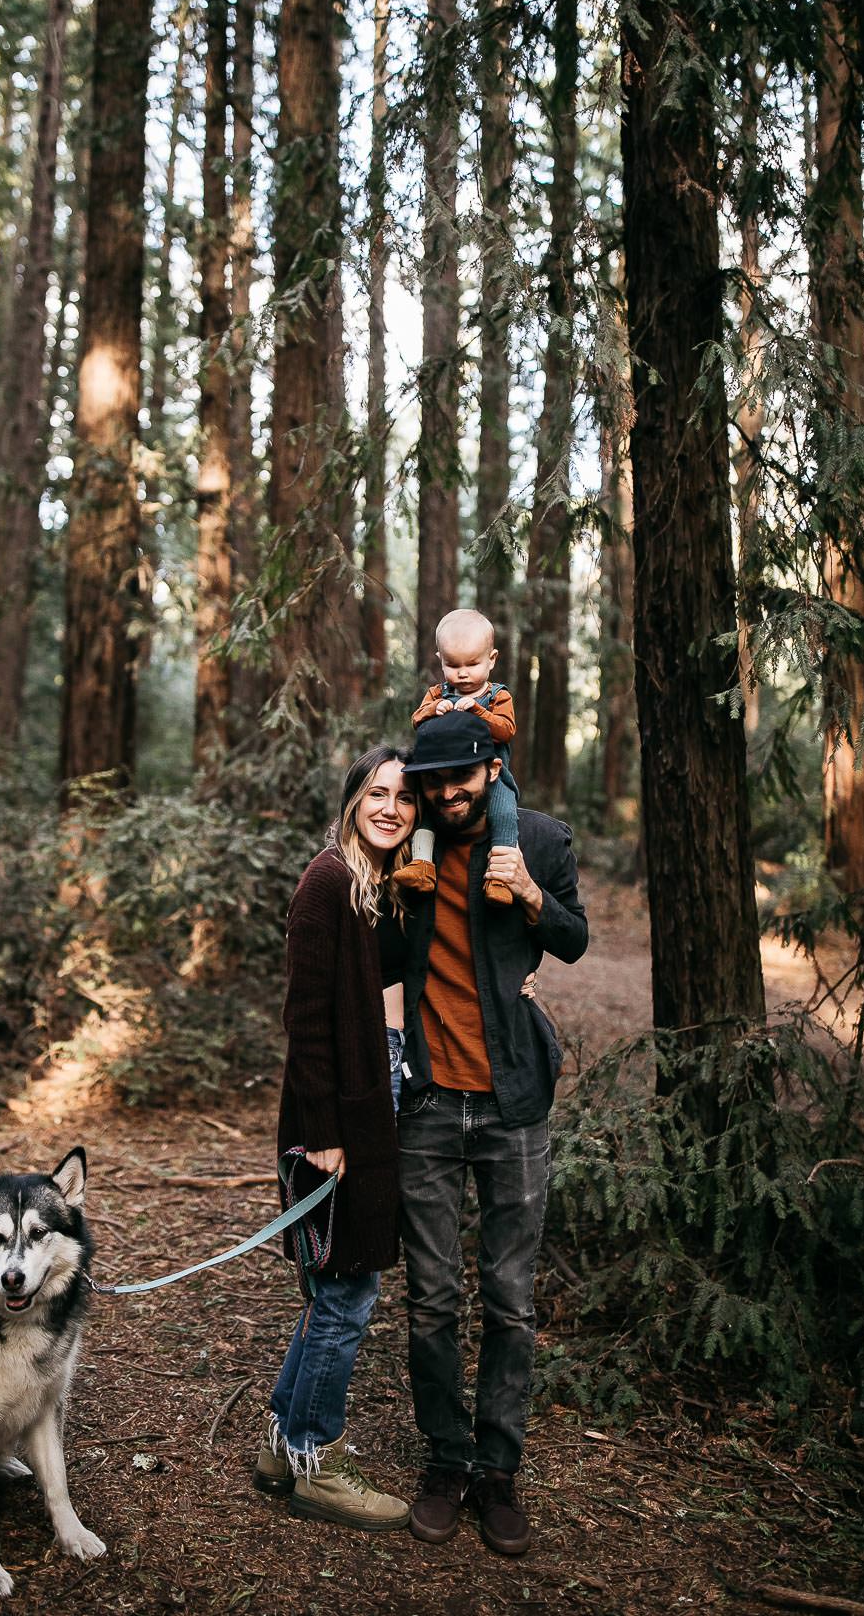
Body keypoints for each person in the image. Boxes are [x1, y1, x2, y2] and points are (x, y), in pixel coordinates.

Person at [397, 709, 588, 1557]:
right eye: (432, 784)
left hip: (515, 1104)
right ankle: (446, 1461)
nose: (447, 795)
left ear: (491, 768)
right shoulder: (410, 848)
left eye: (460, 779)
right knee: (432, 1299)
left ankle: (498, 1470)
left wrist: (536, 898)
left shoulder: (540, 839)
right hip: (430, 1105)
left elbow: (575, 940)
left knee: (510, 1302)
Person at [252, 746, 417, 1531]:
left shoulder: (382, 886)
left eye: (404, 797)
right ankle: (319, 1458)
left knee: (335, 1287)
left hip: (377, 1093)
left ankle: (284, 1445)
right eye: (377, 792)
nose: (392, 806)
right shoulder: (328, 880)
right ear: (353, 800)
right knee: (349, 1292)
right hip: (338, 1112)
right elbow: (304, 1015)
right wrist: (322, 1132)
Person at [393, 609, 520, 905]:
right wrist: (431, 710)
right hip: (440, 768)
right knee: (427, 812)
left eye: (472, 664)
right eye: (452, 665)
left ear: (492, 659)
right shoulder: (438, 692)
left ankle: (499, 878)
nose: (462, 673)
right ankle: (423, 865)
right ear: (440, 660)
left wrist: (478, 711)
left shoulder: (498, 696)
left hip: (489, 773)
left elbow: (506, 730)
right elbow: (416, 719)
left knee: (503, 812)